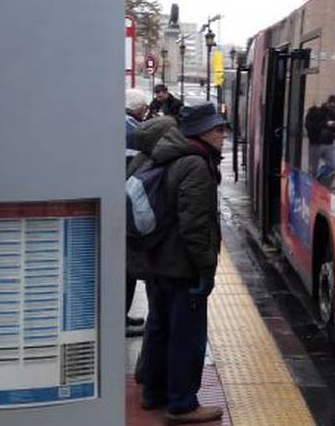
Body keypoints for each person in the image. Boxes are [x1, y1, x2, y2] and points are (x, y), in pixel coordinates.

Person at [127, 104, 227, 424]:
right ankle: (183, 404)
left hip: (157, 262)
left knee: (159, 328)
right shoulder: (195, 165)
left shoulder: (159, 154)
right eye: (217, 130)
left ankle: (153, 392)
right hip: (182, 266)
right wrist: (206, 269)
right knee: (187, 336)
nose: (222, 135)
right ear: (200, 133)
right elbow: (195, 225)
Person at [124, 88, 148, 336]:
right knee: (127, 268)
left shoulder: (117, 124)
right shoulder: (133, 131)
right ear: (140, 109)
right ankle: (121, 319)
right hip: (126, 207)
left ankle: (121, 316)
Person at [304, 95, 335, 179]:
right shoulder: (316, 112)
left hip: (328, 144)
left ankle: (320, 177)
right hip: (316, 143)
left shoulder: (334, 114)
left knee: (333, 166)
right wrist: (327, 124)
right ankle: (313, 182)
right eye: (332, 106)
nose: (333, 108)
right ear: (328, 103)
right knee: (313, 169)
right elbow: (310, 126)